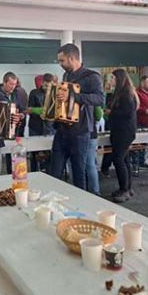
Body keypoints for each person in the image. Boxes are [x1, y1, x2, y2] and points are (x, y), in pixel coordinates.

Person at [47, 44, 104, 191]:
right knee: (54, 171)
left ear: (72, 58)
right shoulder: (67, 76)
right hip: (61, 130)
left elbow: (99, 99)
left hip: (80, 132)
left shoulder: (92, 76)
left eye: (62, 61)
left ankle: (82, 204)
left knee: (79, 173)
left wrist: (74, 96)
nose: (60, 64)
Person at [106, 69, 139, 202]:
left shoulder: (126, 94)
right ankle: (127, 187)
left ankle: (124, 190)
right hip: (119, 130)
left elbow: (127, 113)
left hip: (124, 131)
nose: (111, 81)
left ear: (119, 79)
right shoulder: (118, 93)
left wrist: (111, 112)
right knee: (124, 160)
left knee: (118, 160)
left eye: (113, 78)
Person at [26, 74, 55, 173]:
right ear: (42, 83)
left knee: (50, 155)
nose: (47, 88)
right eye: (46, 85)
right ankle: (33, 174)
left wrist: (41, 111)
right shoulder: (34, 93)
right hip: (35, 127)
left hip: (50, 128)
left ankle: (50, 175)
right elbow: (28, 110)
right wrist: (44, 110)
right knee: (34, 154)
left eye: (50, 86)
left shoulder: (54, 95)